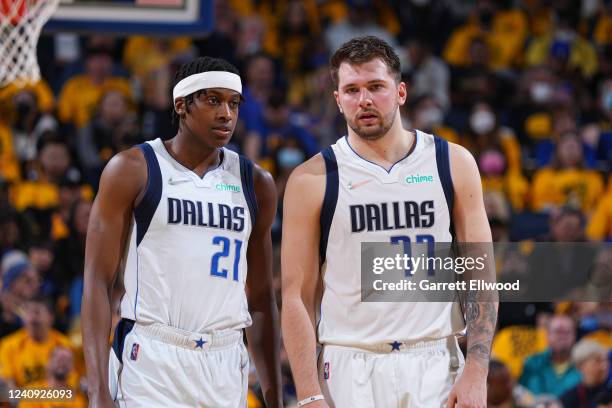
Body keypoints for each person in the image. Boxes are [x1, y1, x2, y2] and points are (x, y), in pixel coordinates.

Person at [281, 36, 497, 408]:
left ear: (400, 92)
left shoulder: (452, 162)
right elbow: (296, 296)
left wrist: (477, 369)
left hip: (436, 361)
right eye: (351, 90)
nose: (363, 99)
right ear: (337, 100)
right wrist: (308, 394)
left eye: (375, 87)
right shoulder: (310, 179)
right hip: (349, 363)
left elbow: (480, 271)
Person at [81, 56, 282, 407]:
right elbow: (97, 281)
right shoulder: (133, 169)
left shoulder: (257, 183)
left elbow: (262, 298)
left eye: (233, 103)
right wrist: (97, 390)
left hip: (224, 361)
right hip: (152, 357)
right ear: (181, 105)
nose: (226, 114)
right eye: (213, 100)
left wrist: (274, 396)